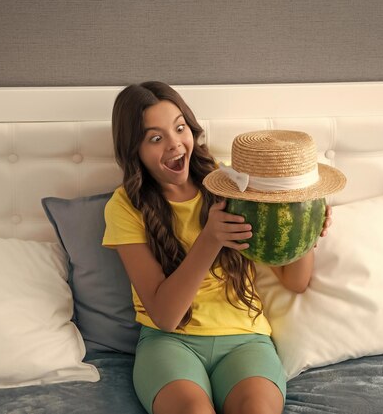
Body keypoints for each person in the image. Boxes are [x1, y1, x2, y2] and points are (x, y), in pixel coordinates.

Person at [102, 81, 341, 414]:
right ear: (134, 150)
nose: (174, 144)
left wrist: (307, 231)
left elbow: (295, 281)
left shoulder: (232, 183)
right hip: (168, 342)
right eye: (155, 138)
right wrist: (210, 238)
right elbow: (166, 316)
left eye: (179, 128)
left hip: (246, 339)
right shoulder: (125, 206)